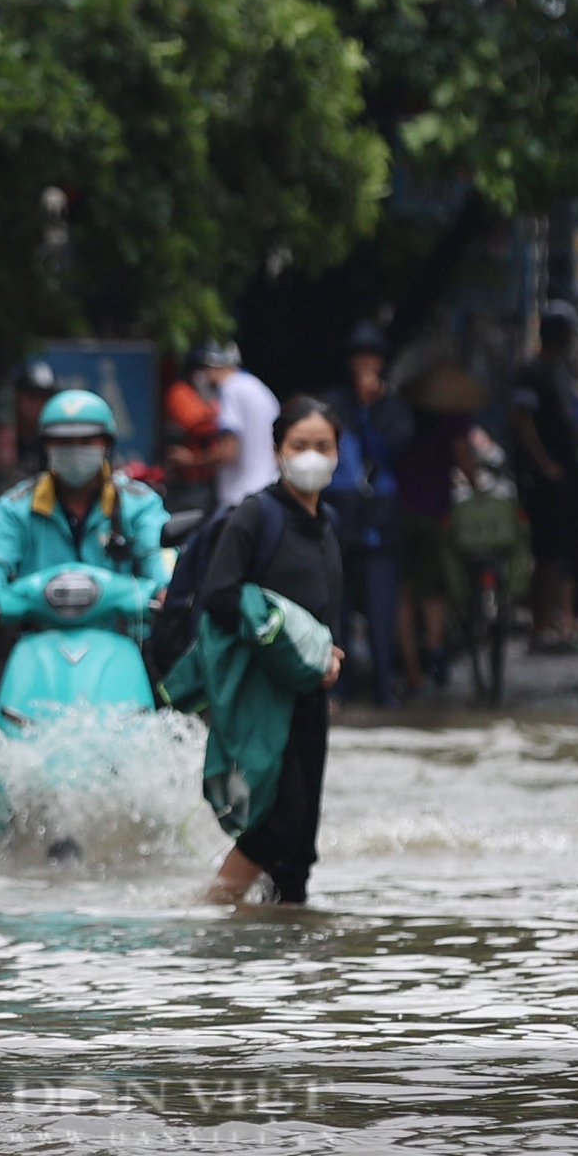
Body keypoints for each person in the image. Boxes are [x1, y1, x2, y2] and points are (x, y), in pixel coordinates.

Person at [195, 397, 345, 905]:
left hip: (310, 693)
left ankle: (285, 947)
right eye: (300, 445)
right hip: (262, 694)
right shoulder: (255, 517)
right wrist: (295, 653)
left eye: (322, 446)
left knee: (301, 843)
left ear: (338, 453)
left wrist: (330, 659)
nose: (311, 456)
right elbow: (218, 597)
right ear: (277, 450)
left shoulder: (328, 523)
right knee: (277, 821)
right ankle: (207, 910)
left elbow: (327, 612)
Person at [0, 389, 171, 622]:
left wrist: (167, 585)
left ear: (106, 445)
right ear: (46, 447)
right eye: (63, 442)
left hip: (119, 636)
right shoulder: (15, 507)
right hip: (39, 638)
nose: (74, 450)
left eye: (86, 442)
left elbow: (157, 553)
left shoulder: (138, 503)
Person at [323, 322, 413, 707]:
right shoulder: (331, 404)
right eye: (360, 357)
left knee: (380, 609)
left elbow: (395, 449)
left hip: (380, 523)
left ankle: (382, 686)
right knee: (336, 609)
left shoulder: (394, 407)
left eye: (372, 357)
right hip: (340, 521)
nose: (366, 364)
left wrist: (369, 411)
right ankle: (339, 685)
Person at [392, 361, 482, 691]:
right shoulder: (453, 419)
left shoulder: (403, 413)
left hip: (398, 510)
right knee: (434, 589)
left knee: (403, 591)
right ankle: (434, 646)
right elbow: (463, 457)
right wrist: (479, 486)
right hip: (432, 513)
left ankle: (413, 670)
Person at [511, 306, 578, 650]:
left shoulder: (560, 371)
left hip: (567, 475)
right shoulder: (532, 372)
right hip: (544, 480)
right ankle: (540, 623)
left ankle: (561, 620)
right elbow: (522, 419)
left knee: (563, 550)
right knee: (546, 552)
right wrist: (544, 464)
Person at [201, 342, 282, 508]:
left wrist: (189, 461)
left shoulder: (230, 388)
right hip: (268, 489)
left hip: (241, 499)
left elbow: (228, 452)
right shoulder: (258, 387)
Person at [162, 350, 223, 515]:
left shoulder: (216, 392)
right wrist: (217, 414)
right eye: (201, 369)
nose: (206, 374)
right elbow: (197, 425)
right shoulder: (180, 391)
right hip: (187, 480)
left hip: (210, 479)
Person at [11, 359, 60, 480]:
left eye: (45, 397)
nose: (40, 404)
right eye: (34, 396)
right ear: (17, 396)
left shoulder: (56, 440)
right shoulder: (5, 439)